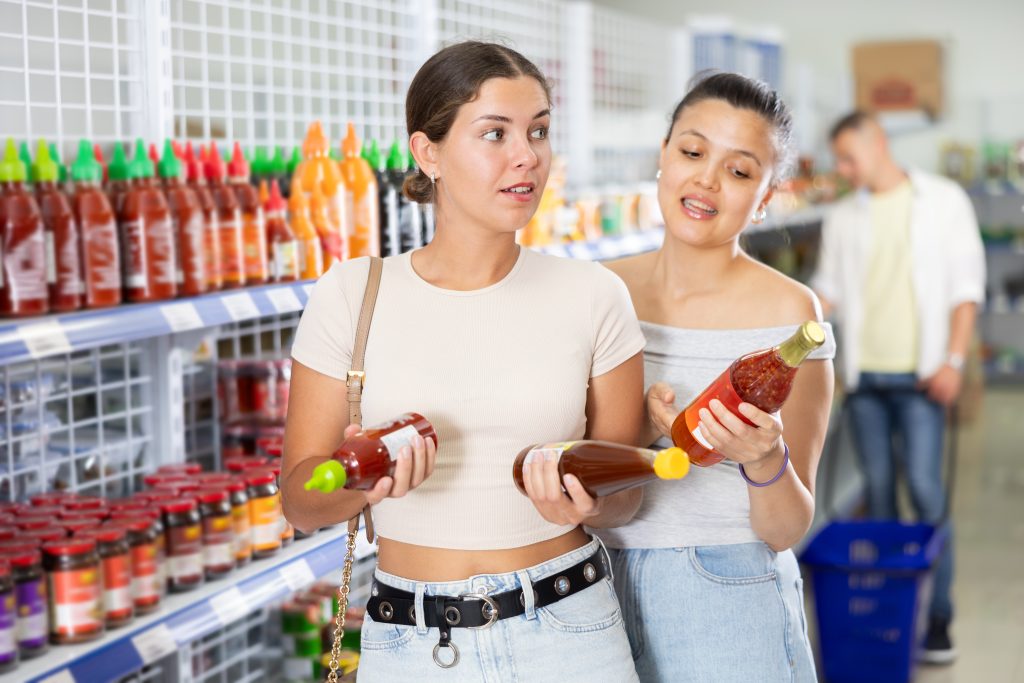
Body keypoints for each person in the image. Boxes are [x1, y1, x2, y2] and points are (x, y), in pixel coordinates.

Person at [281, 41, 646, 681]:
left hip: (569, 630)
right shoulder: (352, 293)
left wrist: (586, 504)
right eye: (495, 133)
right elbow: (297, 499)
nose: (527, 155)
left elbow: (625, 496)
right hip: (410, 642)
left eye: (538, 131)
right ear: (428, 153)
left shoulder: (593, 294)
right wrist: (357, 478)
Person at [594, 72, 835, 683]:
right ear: (663, 155)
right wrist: (644, 446)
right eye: (693, 152)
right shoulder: (597, 291)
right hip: (585, 592)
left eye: (740, 170)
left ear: (768, 195)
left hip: (728, 595)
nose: (706, 180)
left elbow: (785, 528)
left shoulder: (790, 317)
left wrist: (763, 456)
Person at [811, 111, 985, 664]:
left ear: (877, 142)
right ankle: (889, 616)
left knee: (928, 495)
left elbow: (966, 288)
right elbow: (826, 293)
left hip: (923, 378)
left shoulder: (942, 200)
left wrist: (954, 360)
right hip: (864, 380)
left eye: (847, 156)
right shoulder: (842, 217)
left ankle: (938, 621)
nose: (842, 168)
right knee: (880, 501)